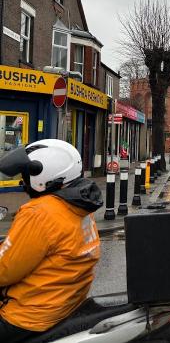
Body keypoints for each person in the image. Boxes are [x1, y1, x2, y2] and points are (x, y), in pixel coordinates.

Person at [0, 139, 103, 342]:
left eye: (26, 175)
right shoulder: (78, 205)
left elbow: (4, 270)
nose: (23, 181)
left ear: (43, 175)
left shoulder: (39, 213)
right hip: (64, 303)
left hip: (30, 315)